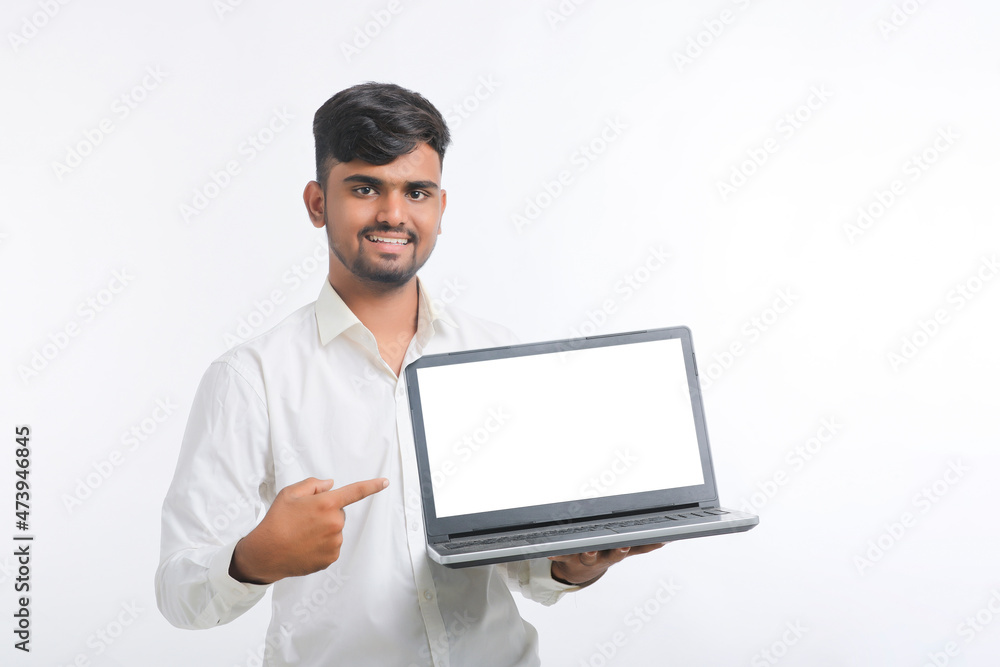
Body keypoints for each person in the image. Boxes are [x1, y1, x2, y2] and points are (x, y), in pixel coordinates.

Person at [155, 81, 662, 666]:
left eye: (416, 191)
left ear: (441, 209)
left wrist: (572, 565)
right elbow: (178, 592)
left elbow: (531, 571)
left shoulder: (497, 355)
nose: (394, 214)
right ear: (318, 203)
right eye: (365, 187)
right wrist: (253, 559)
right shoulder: (252, 378)